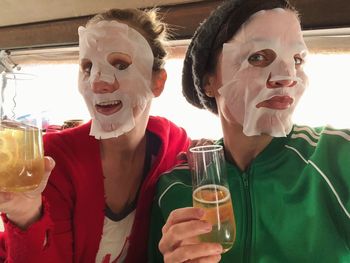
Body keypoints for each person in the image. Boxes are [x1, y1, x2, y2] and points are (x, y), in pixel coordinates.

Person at [148, 0, 350, 262]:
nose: (287, 76)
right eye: (257, 57)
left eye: (297, 59)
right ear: (209, 81)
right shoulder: (175, 186)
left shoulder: (339, 158)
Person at [0, 8, 191, 263]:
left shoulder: (174, 144)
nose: (97, 82)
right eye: (87, 67)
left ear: (157, 82)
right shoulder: (50, 159)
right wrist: (25, 215)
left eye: (120, 64)